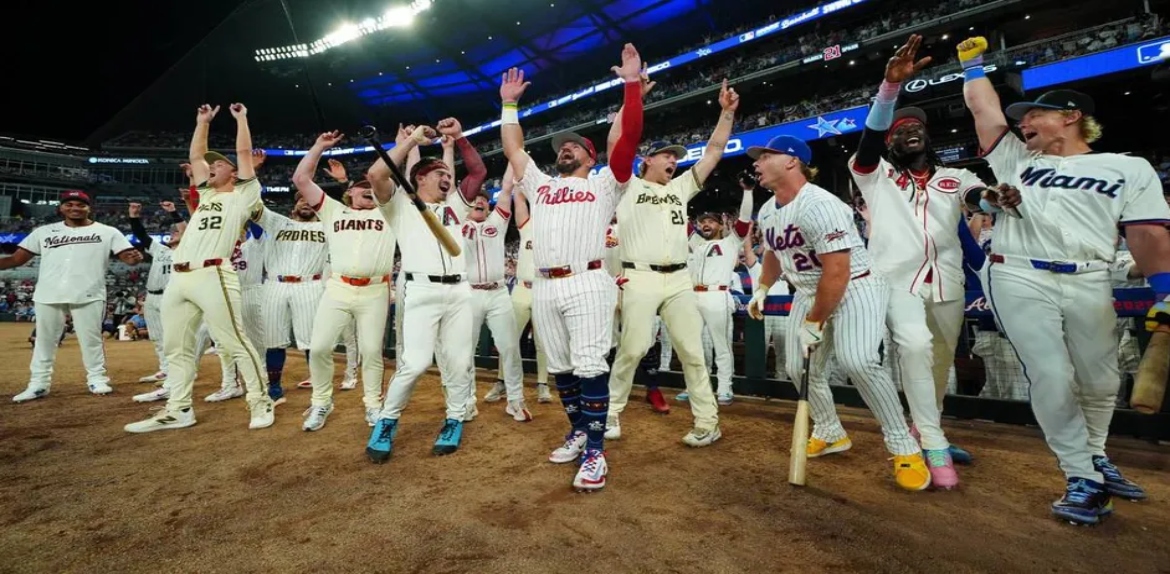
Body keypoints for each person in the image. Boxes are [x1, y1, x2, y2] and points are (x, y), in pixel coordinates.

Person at [957, 36, 1170, 524]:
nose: (1023, 122)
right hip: (1018, 272)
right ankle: (1081, 476)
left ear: (1071, 116)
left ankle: (1094, 456)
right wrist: (972, 66)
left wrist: (1166, 290)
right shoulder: (1017, 160)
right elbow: (984, 110)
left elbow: (1146, 233)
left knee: (1101, 379)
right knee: (1051, 373)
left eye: (1034, 115)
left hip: (1091, 275)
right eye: (1022, 117)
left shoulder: (1127, 167)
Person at [497, 42, 644, 491]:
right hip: (543, 285)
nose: (564, 149)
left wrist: (631, 86)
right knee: (561, 368)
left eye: (573, 146)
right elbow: (514, 149)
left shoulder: (604, 183)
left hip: (586, 279)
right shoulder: (541, 185)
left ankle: (596, 452)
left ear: (590, 157)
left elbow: (626, 142)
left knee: (589, 365)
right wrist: (508, 105)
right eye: (561, 147)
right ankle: (580, 431)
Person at [747, 135, 931, 492]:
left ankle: (904, 446)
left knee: (858, 360)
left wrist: (814, 322)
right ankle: (830, 431)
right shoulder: (768, 209)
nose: (756, 162)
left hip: (854, 286)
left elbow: (837, 272)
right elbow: (772, 251)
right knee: (798, 368)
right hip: (808, 290)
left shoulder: (821, 205)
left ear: (791, 161)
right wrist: (763, 288)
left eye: (765, 156)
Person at [848, 34, 985, 488]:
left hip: (946, 281)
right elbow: (869, 144)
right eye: (897, 129)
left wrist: (992, 198)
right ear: (890, 142)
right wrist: (889, 88)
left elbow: (976, 195)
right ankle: (934, 441)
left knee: (940, 361)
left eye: (916, 127)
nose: (908, 130)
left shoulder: (953, 176)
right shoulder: (877, 176)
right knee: (913, 346)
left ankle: (924, 428)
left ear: (927, 136)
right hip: (895, 280)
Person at [605, 77, 741, 445]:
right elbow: (615, 143)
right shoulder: (627, 186)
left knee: (693, 353)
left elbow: (714, 151)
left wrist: (727, 114)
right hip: (639, 276)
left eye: (676, 157)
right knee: (632, 349)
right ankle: (611, 412)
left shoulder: (680, 187)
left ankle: (707, 421)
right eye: (667, 155)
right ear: (647, 160)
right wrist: (631, 98)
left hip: (680, 279)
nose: (673, 160)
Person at [124, 103, 274, 433]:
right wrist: (202, 123)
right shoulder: (206, 197)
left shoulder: (246, 194)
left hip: (214, 272)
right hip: (180, 277)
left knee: (234, 341)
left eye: (219, 164)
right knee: (176, 348)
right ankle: (179, 409)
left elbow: (244, 152)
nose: (211, 166)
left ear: (233, 172)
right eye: (211, 164)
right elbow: (196, 156)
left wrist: (241, 119)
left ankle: (260, 400)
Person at [365, 117, 484, 459]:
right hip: (420, 291)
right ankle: (387, 420)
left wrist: (460, 138)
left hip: (459, 292)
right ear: (420, 177)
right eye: (440, 174)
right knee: (414, 363)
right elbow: (376, 174)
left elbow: (477, 172)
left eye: (449, 175)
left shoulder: (456, 205)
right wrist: (412, 140)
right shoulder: (399, 205)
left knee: (459, 362)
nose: (448, 178)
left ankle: (455, 418)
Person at [293, 129, 403, 431]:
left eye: (372, 187)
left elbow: (389, 178)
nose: (368, 190)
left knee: (371, 352)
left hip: (375, 289)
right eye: (362, 188)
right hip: (338, 287)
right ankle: (321, 402)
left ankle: (373, 404)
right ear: (350, 192)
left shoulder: (389, 212)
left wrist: (403, 145)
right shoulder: (333, 210)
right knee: (319, 348)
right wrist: (318, 145)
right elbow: (301, 179)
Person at [3, 190, 143, 402]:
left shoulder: (108, 231)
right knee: (44, 341)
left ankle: (97, 379)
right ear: (61, 208)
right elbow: (16, 259)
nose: (75, 208)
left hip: (89, 292)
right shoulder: (44, 232)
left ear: (89, 208)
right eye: (69, 204)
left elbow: (128, 258)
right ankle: (38, 384)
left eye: (80, 204)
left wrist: (135, 258)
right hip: (49, 292)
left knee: (91, 339)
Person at [463, 164, 532, 422]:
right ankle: (466, 400)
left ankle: (515, 400)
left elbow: (506, 188)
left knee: (510, 347)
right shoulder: (457, 224)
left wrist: (513, 159)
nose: (480, 202)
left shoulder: (497, 222)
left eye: (483, 200)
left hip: (498, 292)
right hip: (469, 293)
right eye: (475, 200)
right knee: (465, 351)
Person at [128, 200, 186, 384]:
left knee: (173, 336)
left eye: (176, 232)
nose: (172, 233)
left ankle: (180, 370)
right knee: (157, 336)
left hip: (171, 295)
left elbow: (185, 230)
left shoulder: (187, 251)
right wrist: (133, 216)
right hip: (152, 296)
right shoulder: (160, 249)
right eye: (172, 232)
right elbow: (141, 235)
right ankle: (165, 369)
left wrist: (173, 212)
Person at [510, 181, 554, 403]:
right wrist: (518, 182)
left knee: (543, 343)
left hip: (544, 288)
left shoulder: (557, 229)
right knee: (510, 340)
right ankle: (503, 382)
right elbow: (519, 200)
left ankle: (543, 385)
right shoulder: (527, 223)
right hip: (522, 288)